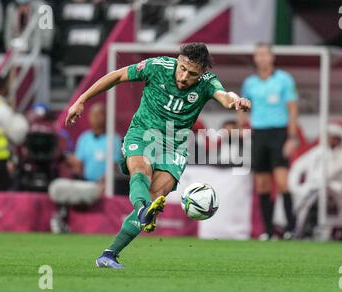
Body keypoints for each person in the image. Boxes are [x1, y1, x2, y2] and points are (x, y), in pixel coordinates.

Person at [65, 42, 251, 269]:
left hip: (175, 145)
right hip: (142, 134)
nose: (183, 77)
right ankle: (142, 209)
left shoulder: (207, 82)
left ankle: (110, 254)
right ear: (178, 60)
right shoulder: (158, 66)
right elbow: (117, 75)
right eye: (182, 68)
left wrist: (236, 101)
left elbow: (224, 95)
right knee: (141, 171)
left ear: (202, 72)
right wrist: (81, 100)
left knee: (155, 196)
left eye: (192, 73)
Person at [238, 43, 300, 240]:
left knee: (282, 182)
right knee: (262, 185)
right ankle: (269, 230)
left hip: (279, 133)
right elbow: (243, 106)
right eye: (258, 55)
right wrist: (242, 125)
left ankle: (291, 228)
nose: (262, 58)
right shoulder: (250, 83)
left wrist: (291, 137)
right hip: (259, 134)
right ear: (255, 59)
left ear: (272, 57)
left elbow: (292, 108)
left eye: (265, 54)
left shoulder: (284, 80)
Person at [49, 102, 121, 233]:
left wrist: (104, 182)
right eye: (92, 115)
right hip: (85, 182)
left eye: (99, 115)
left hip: (105, 184)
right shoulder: (84, 138)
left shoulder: (114, 139)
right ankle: (62, 221)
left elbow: (115, 166)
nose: (95, 118)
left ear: (106, 117)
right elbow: (78, 164)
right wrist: (65, 156)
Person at [288, 122, 342, 238]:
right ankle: (299, 230)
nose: (331, 140)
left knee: (317, 197)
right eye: (330, 137)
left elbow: (330, 173)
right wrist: (295, 186)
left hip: (333, 189)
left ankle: (331, 231)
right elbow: (298, 167)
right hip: (311, 188)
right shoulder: (317, 152)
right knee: (306, 201)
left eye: (334, 138)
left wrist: (315, 183)